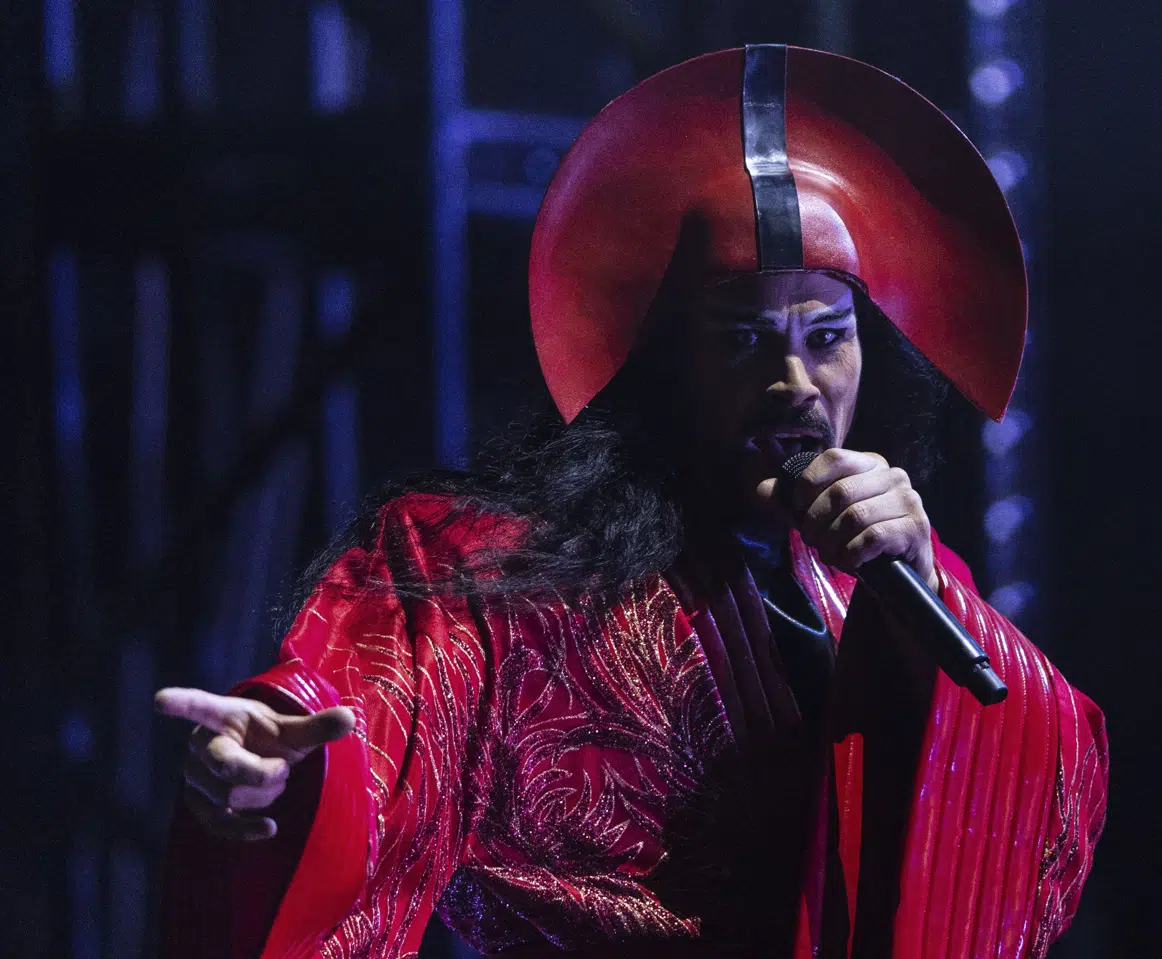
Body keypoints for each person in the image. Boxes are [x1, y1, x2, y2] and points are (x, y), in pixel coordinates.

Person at [156, 45, 1107, 958]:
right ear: (660, 365)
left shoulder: (889, 580)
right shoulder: (497, 572)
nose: (796, 381)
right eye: (741, 341)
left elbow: (1050, 813)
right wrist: (276, 770)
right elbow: (364, 719)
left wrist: (926, 581)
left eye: (827, 336)